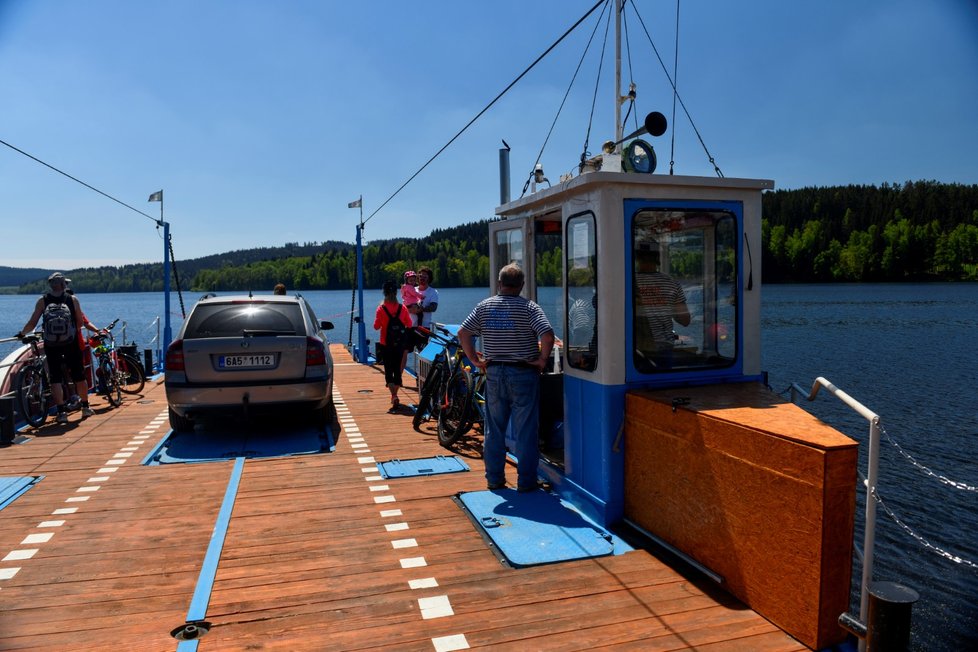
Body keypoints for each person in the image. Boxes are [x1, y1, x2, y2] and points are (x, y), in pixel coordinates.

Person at [458, 263, 554, 492]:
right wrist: (541, 361)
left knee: (494, 429)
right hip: (523, 373)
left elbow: (463, 333)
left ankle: (494, 480)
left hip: (494, 373)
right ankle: (527, 482)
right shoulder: (529, 307)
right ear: (521, 285)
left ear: (500, 283)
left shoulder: (484, 306)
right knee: (526, 431)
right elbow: (548, 335)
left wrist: (475, 361)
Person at [16, 272, 99, 423]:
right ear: (62, 285)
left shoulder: (43, 300)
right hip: (71, 343)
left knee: (55, 378)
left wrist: (22, 333)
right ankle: (85, 408)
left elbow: (32, 322)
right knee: (79, 376)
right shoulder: (72, 299)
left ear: (51, 285)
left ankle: (61, 413)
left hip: (51, 344)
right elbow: (80, 323)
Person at [634, 243, 690, 369]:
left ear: (637, 257)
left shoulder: (629, 282)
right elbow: (685, 320)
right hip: (664, 346)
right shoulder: (671, 282)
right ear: (657, 258)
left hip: (638, 347)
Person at [373, 279, 414, 413]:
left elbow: (376, 326)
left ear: (384, 293)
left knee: (388, 370)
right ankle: (395, 394)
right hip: (399, 344)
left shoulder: (381, 309)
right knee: (397, 369)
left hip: (386, 344)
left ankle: (393, 395)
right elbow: (409, 324)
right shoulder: (403, 308)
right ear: (396, 293)